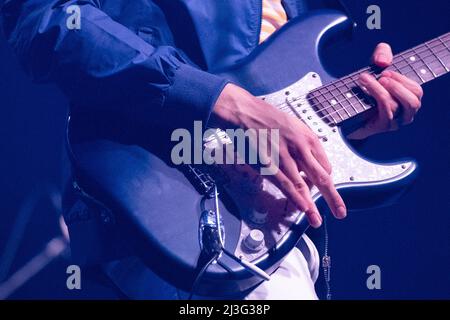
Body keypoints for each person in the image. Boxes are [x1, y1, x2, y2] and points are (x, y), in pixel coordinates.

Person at [0, 0, 423, 299]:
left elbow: (281, 102)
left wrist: (356, 123)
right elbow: (46, 20)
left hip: (274, 236)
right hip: (174, 211)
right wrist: (218, 99)